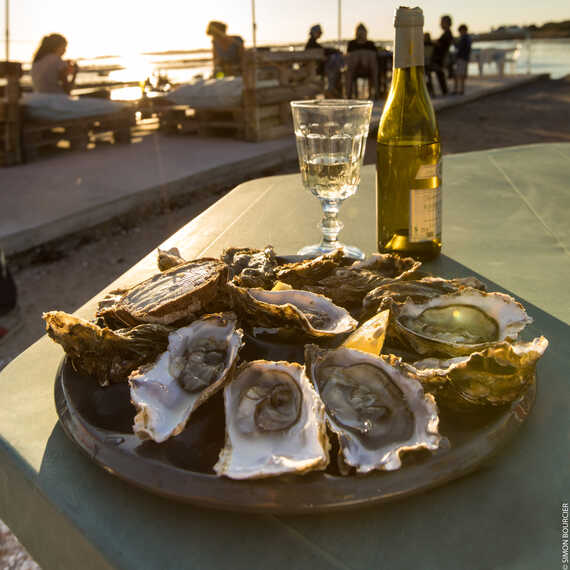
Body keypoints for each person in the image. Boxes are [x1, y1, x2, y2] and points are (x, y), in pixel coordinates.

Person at [305, 24, 344, 98]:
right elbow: (322, 51)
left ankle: (332, 89)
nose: (320, 34)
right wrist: (335, 51)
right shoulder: (311, 44)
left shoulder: (312, 43)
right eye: (319, 33)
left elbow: (323, 50)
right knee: (334, 64)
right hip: (316, 69)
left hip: (317, 69)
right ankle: (331, 90)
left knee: (334, 62)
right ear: (314, 33)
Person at [346, 24, 378, 99]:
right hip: (355, 67)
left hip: (368, 67)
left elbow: (375, 56)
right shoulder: (352, 44)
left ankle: (376, 92)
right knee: (349, 69)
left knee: (373, 63)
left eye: (362, 32)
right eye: (359, 32)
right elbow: (349, 57)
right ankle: (349, 94)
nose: (361, 34)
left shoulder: (370, 44)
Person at [428, 15, 453, 96]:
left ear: (447, 23)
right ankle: (443, 91)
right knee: (440, 74)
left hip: (438, 60)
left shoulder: (447, 34)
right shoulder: (447, 34)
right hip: (439, 60)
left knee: (426, 71)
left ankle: (431, 92)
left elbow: (441, 46)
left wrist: (431, 42)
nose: (440, 24)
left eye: (442, 22)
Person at [453, 24, 472, 95]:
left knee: (459, 75)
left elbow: (459, 48)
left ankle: (459, 90)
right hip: (464, 58)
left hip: (461, 58)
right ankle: (460, 90)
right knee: (461, 75)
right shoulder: (467, 38)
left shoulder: (464, 38)